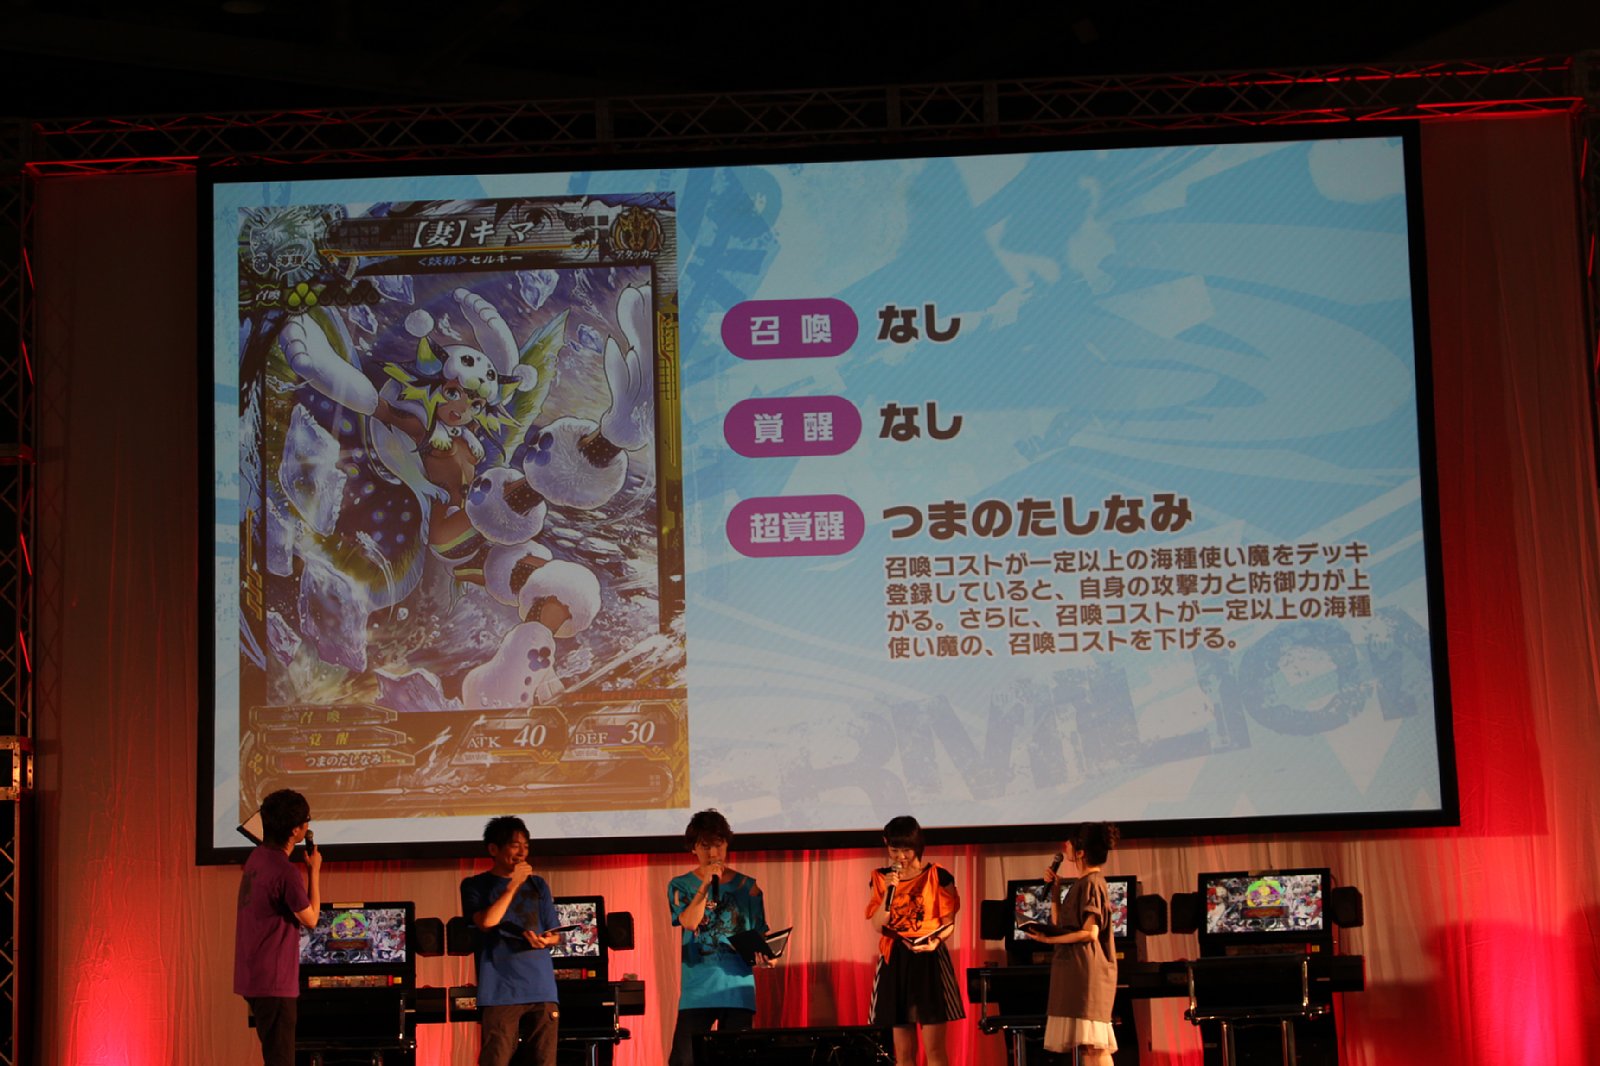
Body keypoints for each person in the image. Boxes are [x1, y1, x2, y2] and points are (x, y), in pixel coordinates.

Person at [666, 809, 768, 1066]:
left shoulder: (749, 887)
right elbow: (690, 922)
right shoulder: (680, 885)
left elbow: (760, 936)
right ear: (693, 848)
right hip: (698, 991)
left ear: (727, 844)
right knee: (684, 1060)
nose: (713, 853)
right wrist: (706, 884)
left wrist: (768, 956)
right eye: (705, 846)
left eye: (719, 845)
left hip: (737, 991)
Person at [460, 816, 564, 1066]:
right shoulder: (475, 885)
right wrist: (514, 884)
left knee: (543, 1060)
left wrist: (546, 940)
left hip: (541, 988)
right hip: (500, 990)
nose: (522, 852)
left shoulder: (538, 885)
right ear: (493, 849)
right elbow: (486, 922)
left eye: (526, 846)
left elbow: (555, 933)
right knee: (496, 1059)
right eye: (515, 846)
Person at [865, 815, 964, 1066]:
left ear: (918, 844)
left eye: (906, 850)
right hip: (896, 958)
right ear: (886, 844)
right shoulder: (881, 878)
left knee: (935, 1049)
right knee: (903, 1052)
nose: (901, 856)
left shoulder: (938, 876)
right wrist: (890, 891)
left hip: (929, 956)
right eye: (894, 850)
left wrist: (935, 941)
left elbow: (948, 923)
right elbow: (878, 925)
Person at [234, 788, 322, 1066]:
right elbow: (311, 919)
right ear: (296, 830)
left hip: (253, 975)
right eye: (306, 821)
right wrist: (314, 871)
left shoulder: (258, 857)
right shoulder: (285, 871)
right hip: (273, 982)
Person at [1026, 822, 1121, 1065]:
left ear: (1081, 852)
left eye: (1070, 842)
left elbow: (1090, 932)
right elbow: (1061, 923)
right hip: (1074, 969)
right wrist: (1055, 892)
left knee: (1094, 1046)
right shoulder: (1082, 883)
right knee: (1085, 1045)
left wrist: (1049, 939)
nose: (1065, 845)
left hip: (1085, 970)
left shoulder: (1092, 882)